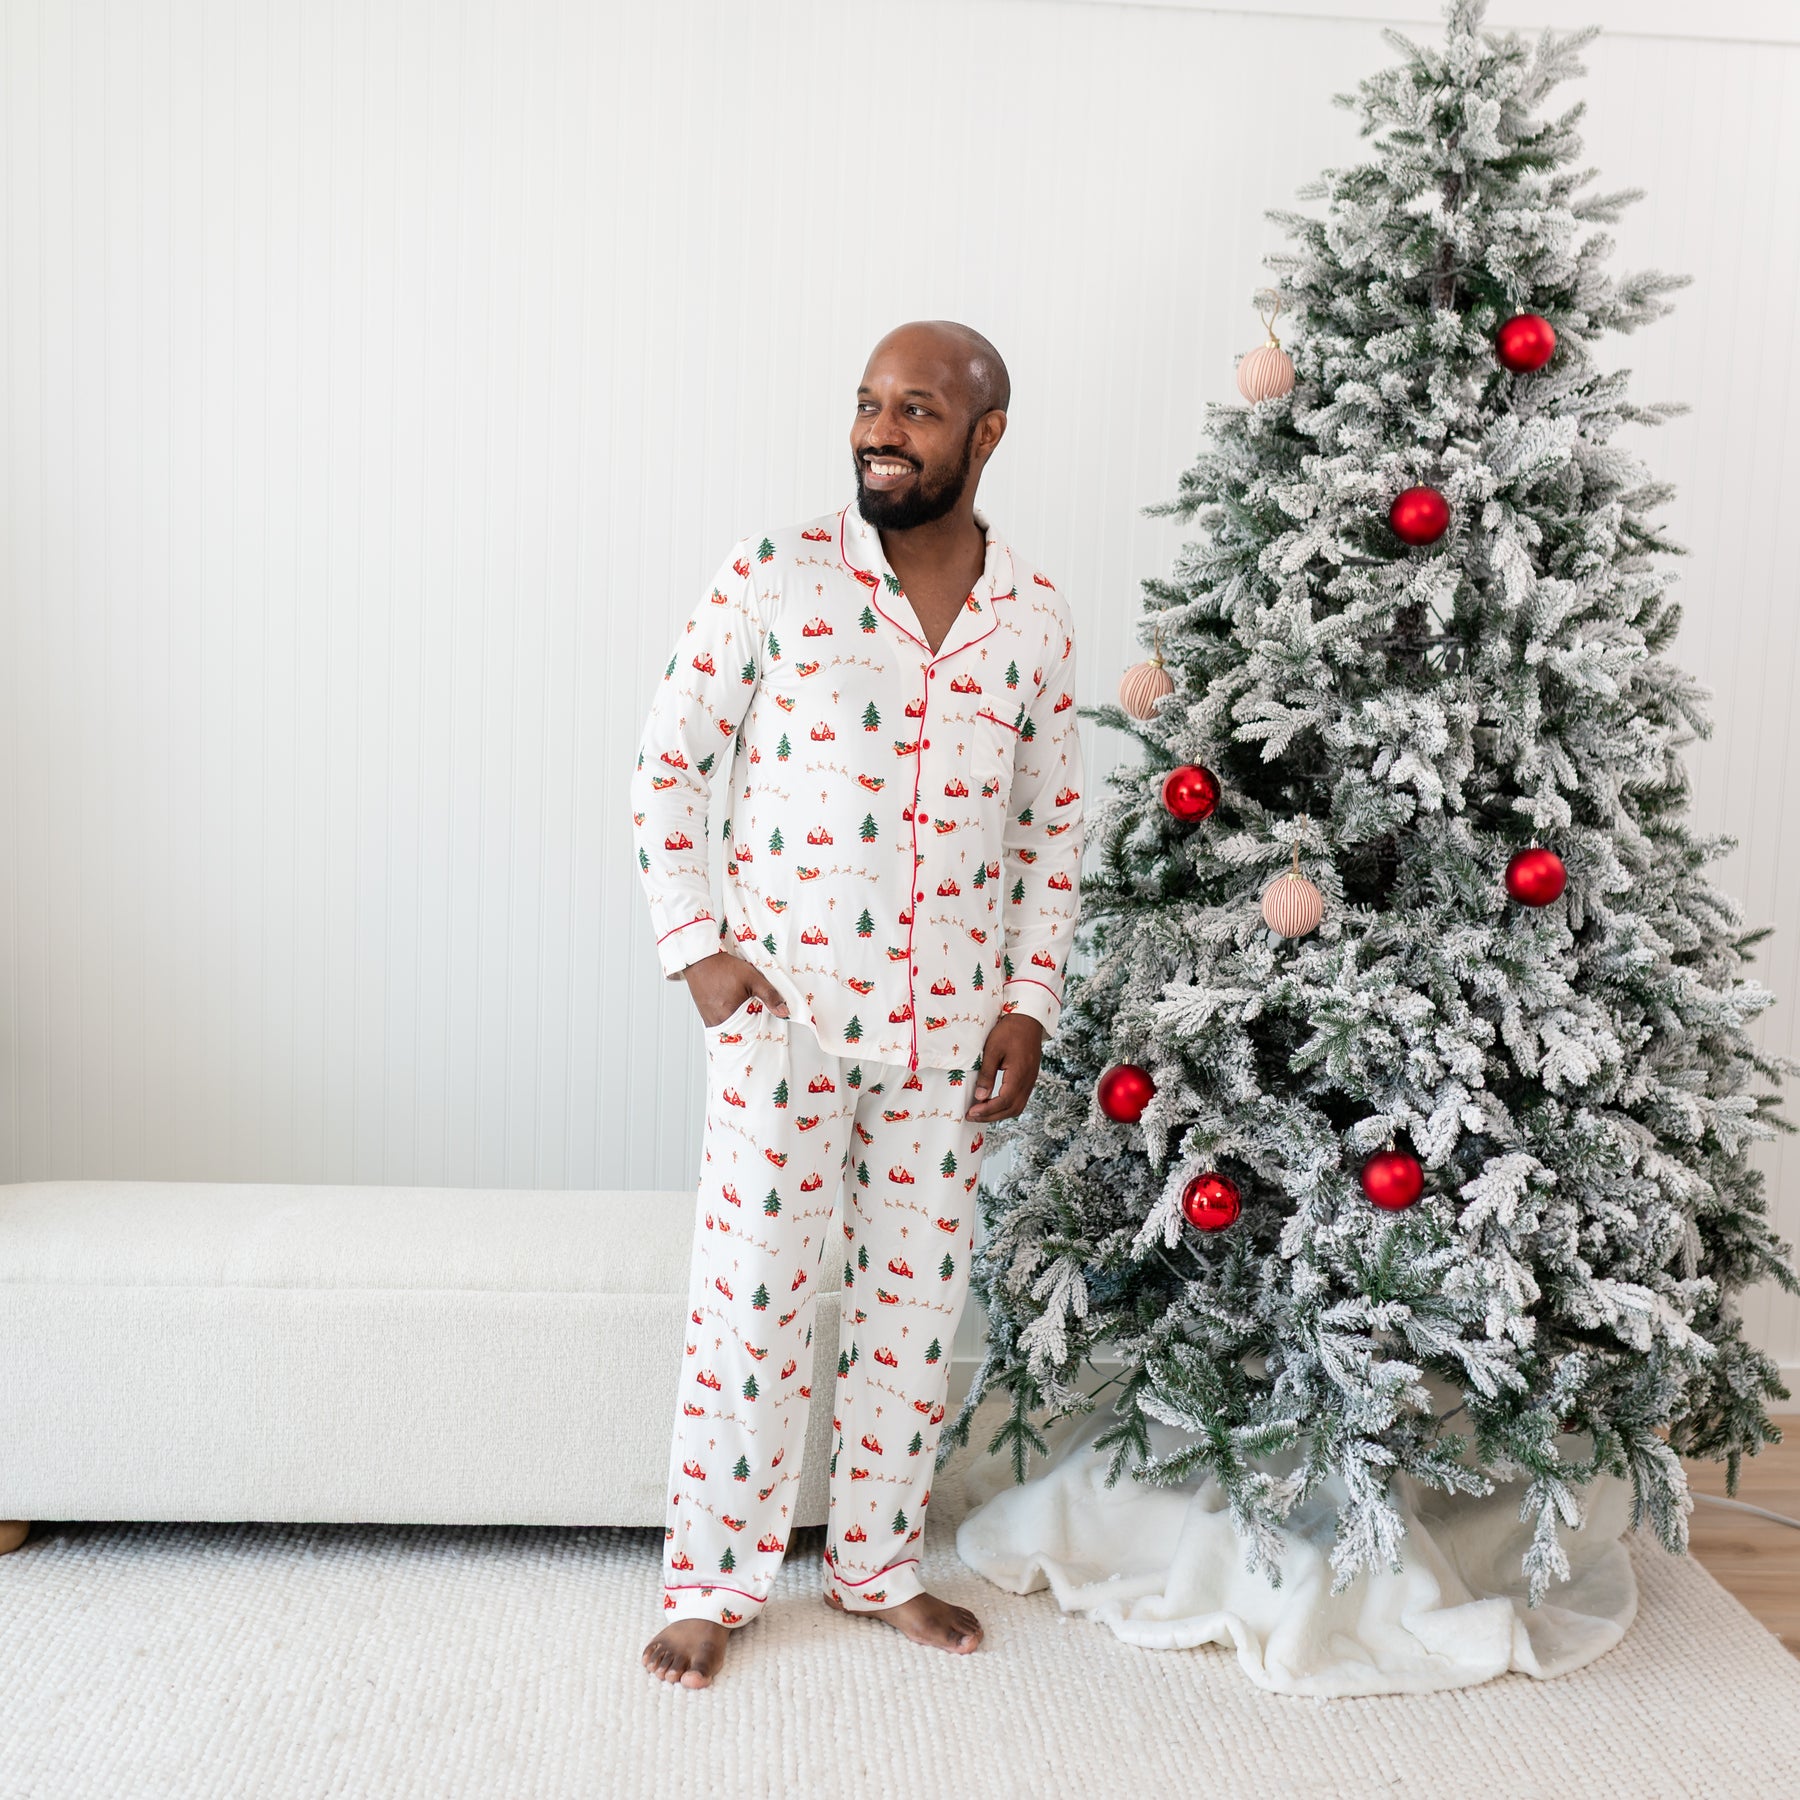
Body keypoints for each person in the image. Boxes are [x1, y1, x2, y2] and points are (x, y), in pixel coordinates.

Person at [630, 321, 1085, 1687]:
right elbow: (668, 761)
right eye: (871, 405)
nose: (883, 429)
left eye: (921, 409)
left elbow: (1049, 833)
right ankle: (717, 1579)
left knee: (913, 1303)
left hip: (952, 1032)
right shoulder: (778, 575)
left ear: (984, 433)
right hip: (788, 1014)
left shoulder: (1039, 618)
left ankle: (877, 1568)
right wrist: (699, 945)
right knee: (752, 1300)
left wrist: (1032, 1002)